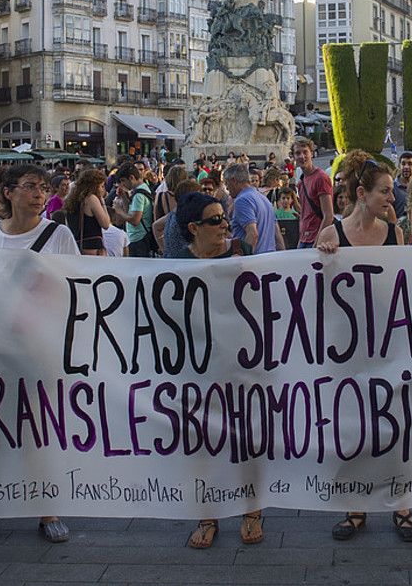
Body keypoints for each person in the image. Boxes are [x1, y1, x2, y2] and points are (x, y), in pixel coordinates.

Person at [0, 163, 76, 551]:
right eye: (30, 187)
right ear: (7, 193)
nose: (39, 194)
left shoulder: (59, 235)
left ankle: (48, 509)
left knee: (40, 429)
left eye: (44, 187)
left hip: (41, 349)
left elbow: (77, 287)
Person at [314, 156, 412, 542]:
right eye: (385, 191)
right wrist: (323, 259)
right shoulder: (332, 233)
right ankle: (354, 505)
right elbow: (313, 291)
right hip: (345, 345)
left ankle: (402, 504)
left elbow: (405, 288)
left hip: (388, 341)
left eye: (391, 191)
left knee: (396, 421)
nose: (391, 198)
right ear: (362, 194)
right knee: (352, 423)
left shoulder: (395, 233)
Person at [174, 192, 259, 548]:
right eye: (215, 220)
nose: (225, 225)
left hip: (241, 363)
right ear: (193, 228)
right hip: (197, 367)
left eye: (224, 217)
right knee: (201, 442)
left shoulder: (241, 253)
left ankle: (252, 510)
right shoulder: (176, 262)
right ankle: (207, 514)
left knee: (246, 437)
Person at [224, 163, 278, 254]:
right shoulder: (264, 198)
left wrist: (244, 259)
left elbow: (253, 234)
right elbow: (278, 235)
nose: (226, 187)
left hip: (254, 262)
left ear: (233, 180)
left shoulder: (242, 200)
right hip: (270, 259)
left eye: (227, 183)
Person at [292, 137, 334, 248]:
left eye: (305, 152)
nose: (302, 156)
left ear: (312, 153)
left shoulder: (321, 177)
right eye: (298, 153)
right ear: (294, 157)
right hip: (304, 239)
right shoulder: (301, 181)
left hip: (316, 240)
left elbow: (328, 215)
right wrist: (300, 240)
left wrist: (318, 242)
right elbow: (305, 214)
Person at [64, 169, 112, 256]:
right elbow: (106, 224)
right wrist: (103, 202)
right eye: (101, 186)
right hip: (92, 247)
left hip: (76, 245)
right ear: (94, 186)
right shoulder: (91, 198)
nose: (103, 189)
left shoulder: (70, 200)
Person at [111, 165, 154, 257]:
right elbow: (130, 213)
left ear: (131, 178)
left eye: (123, 181)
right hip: (136, 237)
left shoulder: (139, 195)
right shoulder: (140, 190)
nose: (122, 184)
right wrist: (123, 197)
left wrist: (119, 210)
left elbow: (135, 220)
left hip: (139, 239)